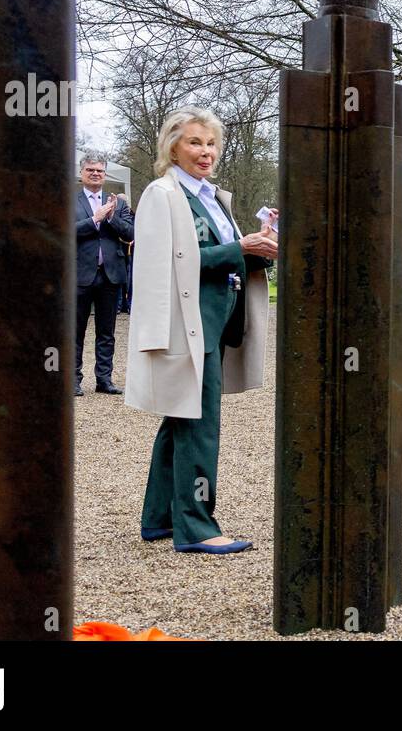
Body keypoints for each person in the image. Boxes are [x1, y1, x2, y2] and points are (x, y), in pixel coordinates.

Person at [124, 107, 277, 554]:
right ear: (173, 147)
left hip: (215, 323)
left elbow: (221, 255)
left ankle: (158, 520)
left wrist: (258, 247)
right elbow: (165, 263)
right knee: (199, 425)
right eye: (195, 142)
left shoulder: (212, 197)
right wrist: (238, 246)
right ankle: (197, 527)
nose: (205, 152)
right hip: (185, 327)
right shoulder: (162, 194)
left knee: (180, 421)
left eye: (211, 143)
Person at [74, 153, 134, 396]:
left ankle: (104, 379)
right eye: (90, 169)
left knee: (106, 332)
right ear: (82, 173)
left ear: (105, 173)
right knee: (75, 331)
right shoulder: (70, 200)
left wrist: (110, 217)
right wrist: (93, 219)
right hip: (79, 273)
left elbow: (132, 233)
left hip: (111, 274)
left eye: (99, 170)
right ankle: (73, 379)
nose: (95, 173)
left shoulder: (118, 204)